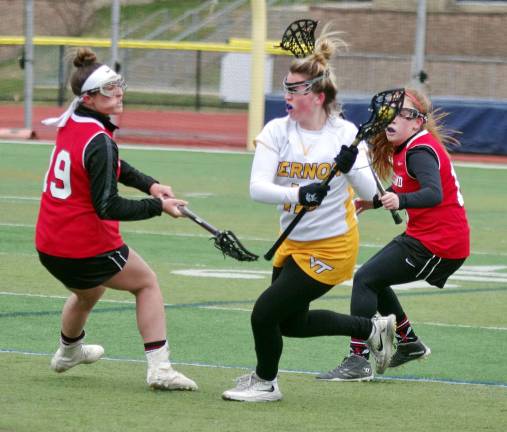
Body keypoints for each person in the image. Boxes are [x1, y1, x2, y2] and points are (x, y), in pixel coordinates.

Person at [221, 27, 396, 403]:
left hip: (332, 247)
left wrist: (353, 167)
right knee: (291, 324)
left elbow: (372, 195)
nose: (285, 96)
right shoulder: (277, 131)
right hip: (293, 243)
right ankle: (371, 329)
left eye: (294, 91)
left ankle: (265, 382)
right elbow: (257, 188)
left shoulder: (344, 133)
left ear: (317, 97)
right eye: (285, 88)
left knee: (263, 314)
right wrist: (298, 192)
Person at [35, 47, 197, 391]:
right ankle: (160, 369)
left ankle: (68, 352)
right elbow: (108, 205)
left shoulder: (74, 121)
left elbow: (111, 167)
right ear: (90, 98)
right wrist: (159, 207)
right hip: (83, 245)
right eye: (109, 89)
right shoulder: (99, 139)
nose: (119, 92)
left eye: (119, 84)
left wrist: (150, 185)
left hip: (49, 245)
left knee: (88, 292)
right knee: (146, 283)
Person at [317, 87, 470, 382]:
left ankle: (357, 360)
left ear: (417, 122)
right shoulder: (410, 146)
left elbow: (433, 194)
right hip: (428, 238)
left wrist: (401, 201)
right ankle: (409, 341)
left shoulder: (420, 150)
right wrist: (371, 201)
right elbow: (408, 188)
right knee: (373, 278)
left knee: (365, 279)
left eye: (404, 113)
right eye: (392, 112)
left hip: (439, 244)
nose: (394, 118)